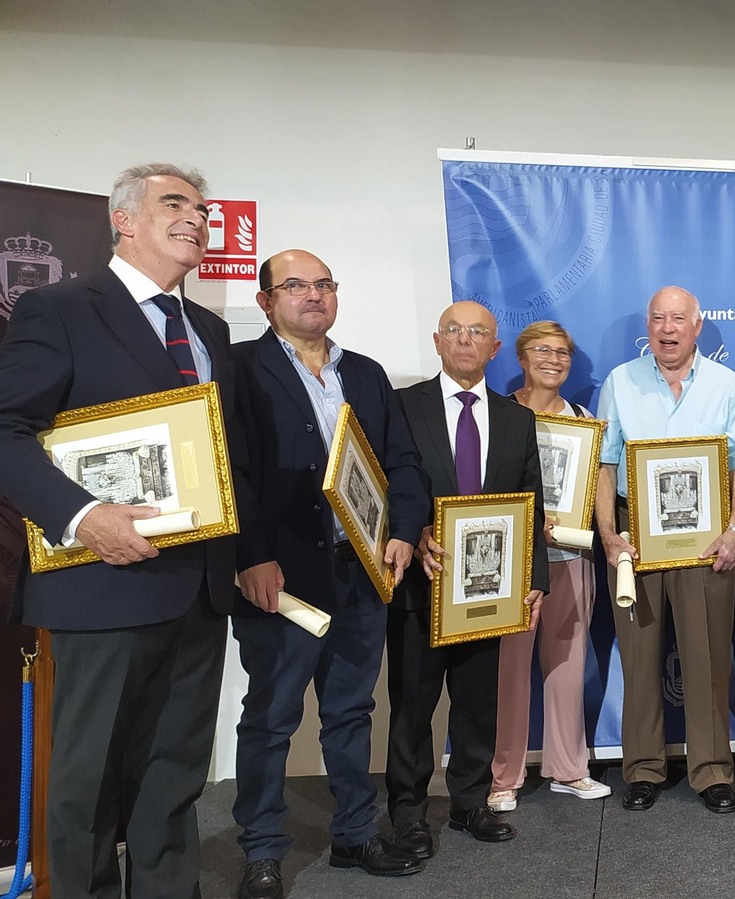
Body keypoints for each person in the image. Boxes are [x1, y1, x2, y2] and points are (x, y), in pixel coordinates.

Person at [0, 163, 244, 898]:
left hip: (198, 588)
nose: (197, 218)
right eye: (175, 203)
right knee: (88, 781)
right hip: (98, 584)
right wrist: (82, 516)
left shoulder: (209, 328)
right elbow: (7, 428)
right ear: (125, 220)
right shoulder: (60, 308)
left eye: (203, 209)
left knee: (174, 773)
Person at [232, 249, 430, 896]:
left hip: (361, 572)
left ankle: (353, 834)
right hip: (281, 580)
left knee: (350, 711)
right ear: (266, 301)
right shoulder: (241, 371)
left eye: (323, 285)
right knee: (272, 716)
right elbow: (233, 476)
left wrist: (402, 531)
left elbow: (402, 463)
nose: (312, 296)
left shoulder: (366, 374)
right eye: (295, 285)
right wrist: (251, 556)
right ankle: (261, 848)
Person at [384, 301, 550, 859]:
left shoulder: (517, 418)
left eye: (477, 332)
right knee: (412, 706)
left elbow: (532, 503)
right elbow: (381, 487)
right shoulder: (401, 407)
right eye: (453, 330)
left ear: (495, 349)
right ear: (436, 341)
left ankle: (470, 803)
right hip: (419, 584)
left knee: (478, 701)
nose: (464, 340)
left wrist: (537, 580)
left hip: (488, 590)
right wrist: (413, 528)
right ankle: (408, 813)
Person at [594, 286, 735, 813]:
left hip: (707, 536)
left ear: (696, 325)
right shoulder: (620, 381)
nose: (666, 329)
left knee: (708, 655)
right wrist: (607, 533)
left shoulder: (728, 383)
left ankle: (712, 770)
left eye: (677, 319)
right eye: (657, 319)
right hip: (635, 536)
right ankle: (642, 769)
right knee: (640, 656)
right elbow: (603, 464)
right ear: (649, 326)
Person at [490, 320, 611, 808]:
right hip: (515, 561)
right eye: (542, 350)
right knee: (509, 671)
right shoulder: (499, 414)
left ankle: (568, 768)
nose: (553, 360)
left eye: (562, 352)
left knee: (567, 666)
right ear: (521, 358)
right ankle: (505, 777)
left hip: (570, 556)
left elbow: (599, 479)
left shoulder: (583, 418)